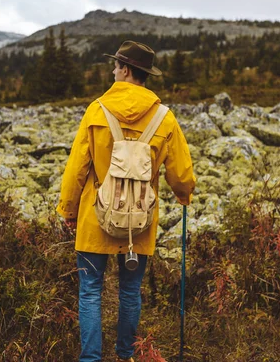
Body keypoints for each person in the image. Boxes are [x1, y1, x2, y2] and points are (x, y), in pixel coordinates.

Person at [56, 40, 196, 362]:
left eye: (116, 66)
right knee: (130, 291)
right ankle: (125, 356)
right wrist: (183, 195)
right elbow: (181, 173)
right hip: (139, 222)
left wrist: (68, 209)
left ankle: (90, 359)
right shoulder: (165, 117)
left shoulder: (96, 110)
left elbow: (77, 167)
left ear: (126, 70)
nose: (113, 71)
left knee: (90, 292)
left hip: (95, 218)